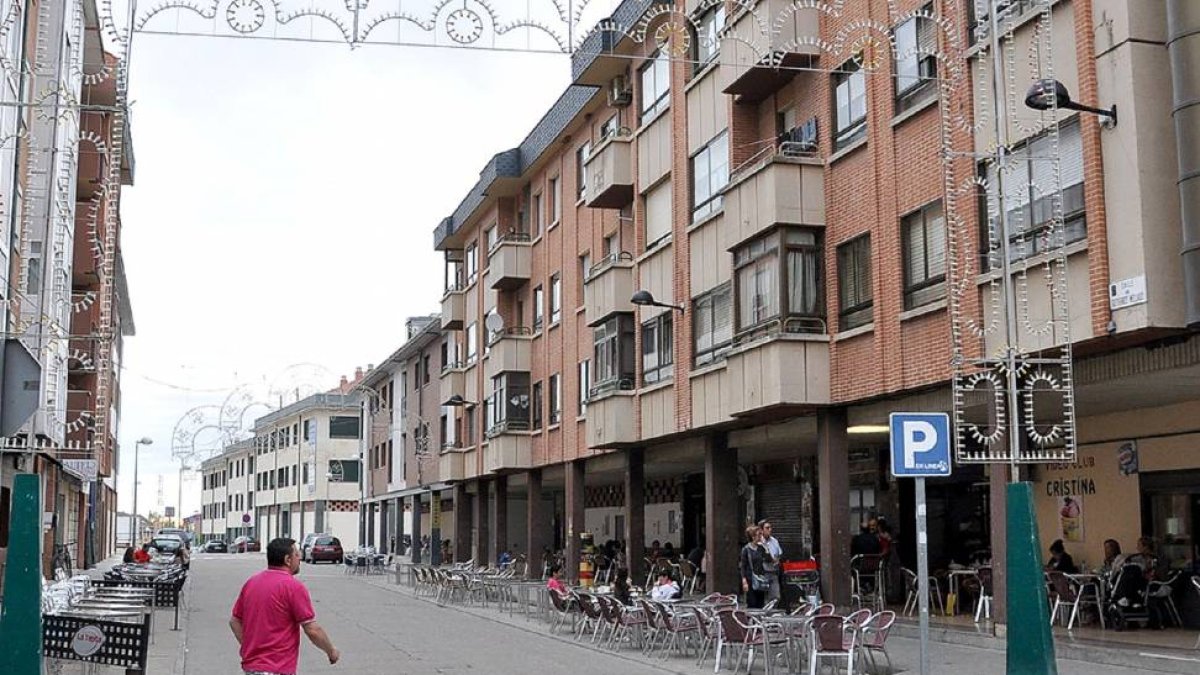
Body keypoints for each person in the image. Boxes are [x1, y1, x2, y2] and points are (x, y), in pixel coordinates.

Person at [229, 537, 340, 674]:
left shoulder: (251, 583)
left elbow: (235, 621)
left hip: (252, 668)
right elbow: (312, 629)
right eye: (297, 555)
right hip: (278, 668)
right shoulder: (293, 587)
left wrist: (249, 647)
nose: (299, 558)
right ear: (288, 560)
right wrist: (331, 651)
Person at [739, 524, 769, 609]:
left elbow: (769, 559)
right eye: (759, 534)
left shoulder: (761, 548)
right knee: (752, 602)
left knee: (760, 602)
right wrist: (744, 581)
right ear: (753, 536)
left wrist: (766, 546)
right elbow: (743, 566)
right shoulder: (746, 549)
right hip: (750, 579)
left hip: (760, 578)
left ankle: (759, 620)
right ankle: (751, 620)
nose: (761, 536)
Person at [758, 520, 782, 604]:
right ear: (761, 530)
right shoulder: (758, 542)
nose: (770, 530)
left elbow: (779, 554)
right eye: (767, 528)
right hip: (763, 573)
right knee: (764, 599)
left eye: (770, 527)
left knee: (776, 597)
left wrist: (777, 560)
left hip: (773, 572)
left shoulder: (774, 541)